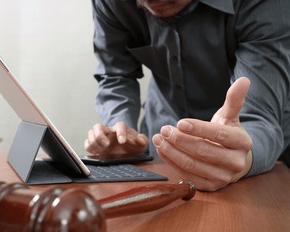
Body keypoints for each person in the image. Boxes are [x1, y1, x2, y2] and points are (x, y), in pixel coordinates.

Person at [84, 0, 290, 191]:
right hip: (161, 152)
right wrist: (121, 128)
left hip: (265, 164)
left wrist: (240, 155)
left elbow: (260, 115)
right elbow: (115, 74)